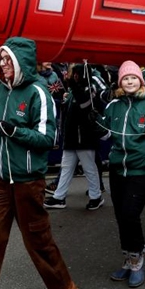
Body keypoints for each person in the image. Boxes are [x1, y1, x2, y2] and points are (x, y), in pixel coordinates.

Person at [0, 37, 77, 289]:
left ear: (21, 63)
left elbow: (48, 139)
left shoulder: (38, 92)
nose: (2, 64)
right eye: (1, 59)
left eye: (7, 60)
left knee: (39, 243)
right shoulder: (2, 90)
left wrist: (15, 131)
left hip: (28, 182)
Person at [98, 60, 145, 289]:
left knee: (130, 213)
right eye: (125, 78)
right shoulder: (113, 105)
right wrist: (95, 123)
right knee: (121, 216)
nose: (129, 81)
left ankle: (138, 260)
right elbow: (104, 135)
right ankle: (129, 260)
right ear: (120, 82)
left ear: (140, 81)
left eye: (133, 78)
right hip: (118, 167)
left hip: (143, 168)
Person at [44, 63, 105, 211]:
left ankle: (96, 196)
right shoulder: (75, 90)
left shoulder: (89, 88)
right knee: (66, 168)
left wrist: (71, 86)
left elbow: (84, 105)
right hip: (72, 136)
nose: (72, 76)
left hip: (84, 136)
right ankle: (59, 197)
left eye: (75, 73)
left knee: (89, 168)